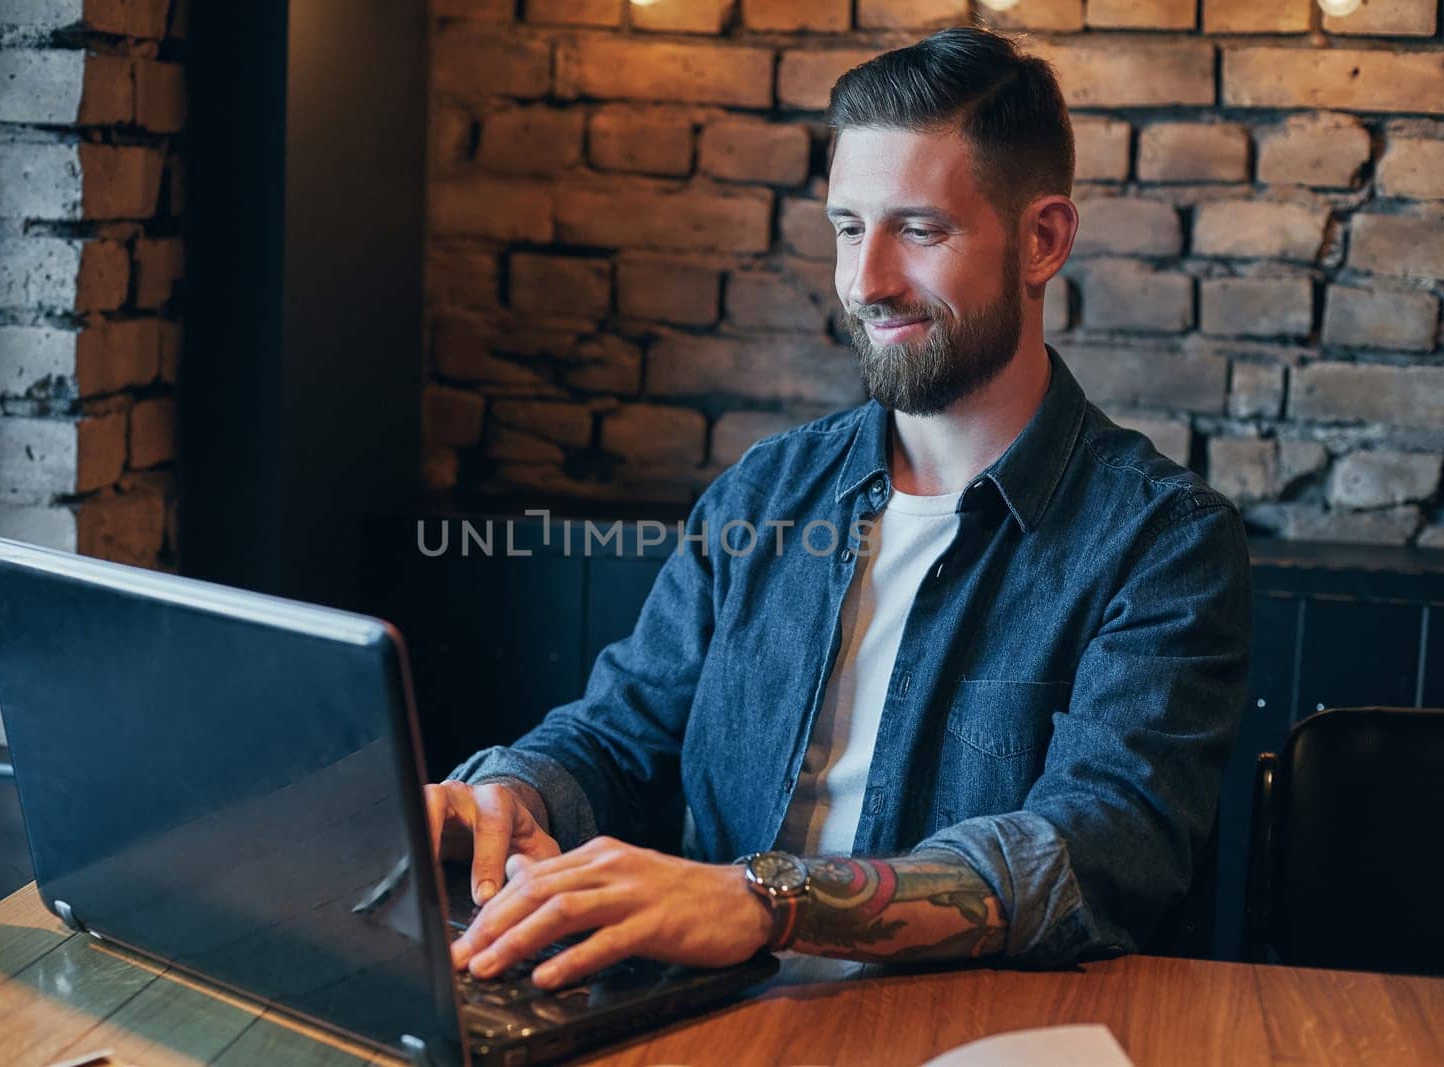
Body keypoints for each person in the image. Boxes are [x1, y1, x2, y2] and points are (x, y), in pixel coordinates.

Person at [426, 27, 1251, 991]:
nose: (866, 283)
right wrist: (506, 794)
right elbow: (619, 736)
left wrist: (764, 899)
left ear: (1042, 239)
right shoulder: (765, 493)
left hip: (959, 1040)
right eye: (849, 229)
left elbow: (1093, 849)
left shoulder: (1162, 542)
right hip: (707, 1025)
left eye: (920, 230)